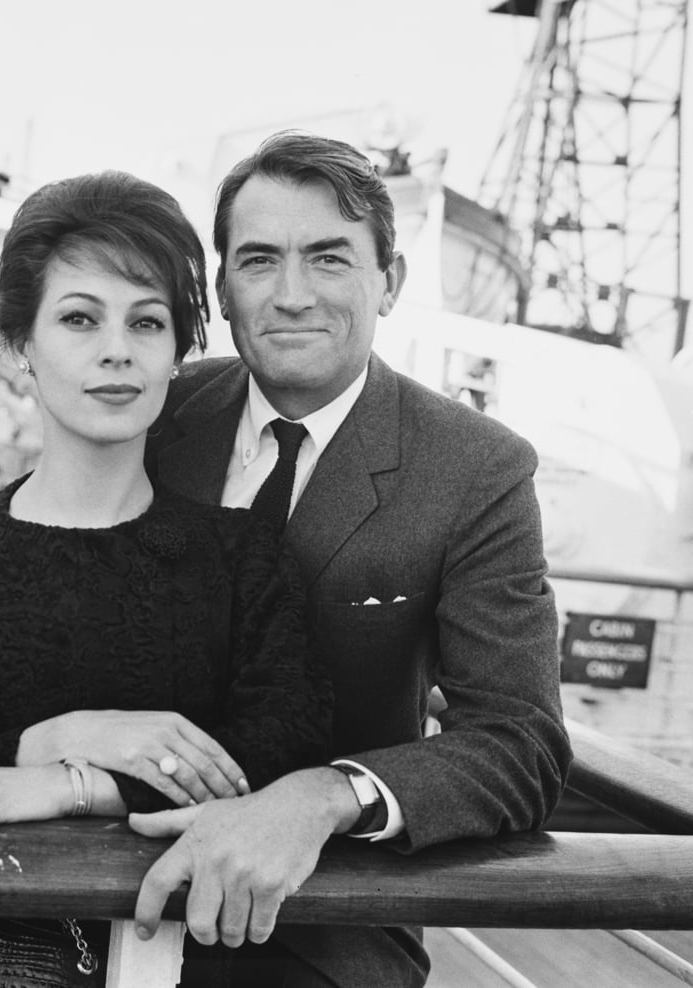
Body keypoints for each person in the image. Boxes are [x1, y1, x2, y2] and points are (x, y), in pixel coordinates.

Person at [0, 170, 332, 987]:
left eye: (147, 322)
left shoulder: (241, 561)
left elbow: (276, 754)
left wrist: (69, 785)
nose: (116, 350)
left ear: (178, 353)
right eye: (79, 319)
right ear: (20, 345)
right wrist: (52, 738)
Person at [131, 131, 574, 987]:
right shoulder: (152, 414)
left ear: (390, 282)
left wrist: (322, 798)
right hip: (100, 884)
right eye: (258, 261)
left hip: (319, 920)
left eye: (329, 259)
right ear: (222, 289)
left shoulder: (474, 468)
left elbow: (521, 742)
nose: (291, 295)